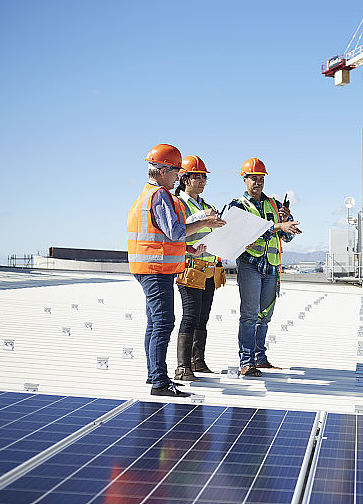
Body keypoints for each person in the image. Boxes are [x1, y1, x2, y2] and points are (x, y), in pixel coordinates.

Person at [127, 144, 225, 397]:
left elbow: (163, 236)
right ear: (163, 171)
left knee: (154, 323)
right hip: (155, 269)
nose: (178, 177)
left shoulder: (149, 195)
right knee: (163, 323)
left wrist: (186, 251)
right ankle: (160, 382)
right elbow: (175, 231)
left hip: (150, 266)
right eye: (176, 172)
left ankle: (154, 375)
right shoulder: (159, 195)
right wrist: (205, 222)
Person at [230, 158, 301, 377]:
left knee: (264, 316)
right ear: (244, 179)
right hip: (250, 263)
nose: (258, 182)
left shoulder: (273, 205)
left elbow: (284, 238)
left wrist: (287, 224)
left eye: (261, 178)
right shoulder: (237, 206)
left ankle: (260, 358)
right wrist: (278, 225)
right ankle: (246, 362)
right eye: (253, 178)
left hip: (271, 267)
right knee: (249, 315)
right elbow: (245, 233)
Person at [173, 155, 226, 381]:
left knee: (203, 317)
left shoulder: (208, 206)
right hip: (189, 267)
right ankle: (183, 366)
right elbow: (176, 233)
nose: (202, 181)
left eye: (204, 177)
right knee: (190, 316)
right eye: (197, 177)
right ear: (184, 179)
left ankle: (198, 361)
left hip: (209, 268)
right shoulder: (178, 203)